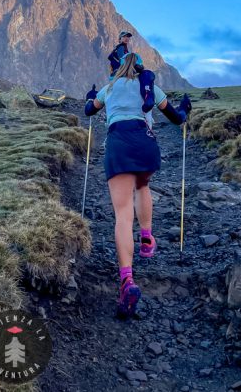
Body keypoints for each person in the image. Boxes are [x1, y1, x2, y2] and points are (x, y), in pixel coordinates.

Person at [85, 53, 192, 318]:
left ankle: (127, 281)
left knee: (122, 215)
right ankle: (146, 239)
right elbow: (177, 118)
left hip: (119, 144)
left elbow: (89, 110)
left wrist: (91, 95)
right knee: (143, 187)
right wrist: (185, 108)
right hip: (146, 143)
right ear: (142, 67)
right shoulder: (150, 87)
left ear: (118, 69)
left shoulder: (109, 88)